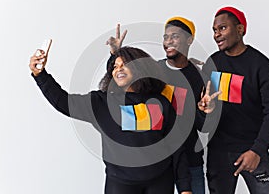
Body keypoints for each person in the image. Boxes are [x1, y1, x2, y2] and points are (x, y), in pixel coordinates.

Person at [29, 46, 193, 194]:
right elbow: (63, 101)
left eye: (124, 64)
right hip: (120, 184)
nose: (118, 69)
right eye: (114, 67)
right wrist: (40, 75)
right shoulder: (102, 103)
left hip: (160, 182)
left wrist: (185, 187)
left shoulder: (161, 102)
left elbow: (175, 147)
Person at [106, 17, 217, 194]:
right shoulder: (152, 71)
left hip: (189, 160)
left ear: (189, 40)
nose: (168, 42)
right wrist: (116, 55)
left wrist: (207, 112)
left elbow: (203, 127)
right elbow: (119, 91)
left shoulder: (199, 77)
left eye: (175, 36)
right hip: (156, 166)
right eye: (166, 37)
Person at [200, 6, 269, 194]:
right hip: (218, 153)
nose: (216, 35)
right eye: (214, 30)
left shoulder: (263, 67)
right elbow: (204, 120)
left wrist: (257, 150)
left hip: (253, 151)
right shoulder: (212, 64)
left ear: (240, 30)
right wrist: (206, 110)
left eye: (222, 28)